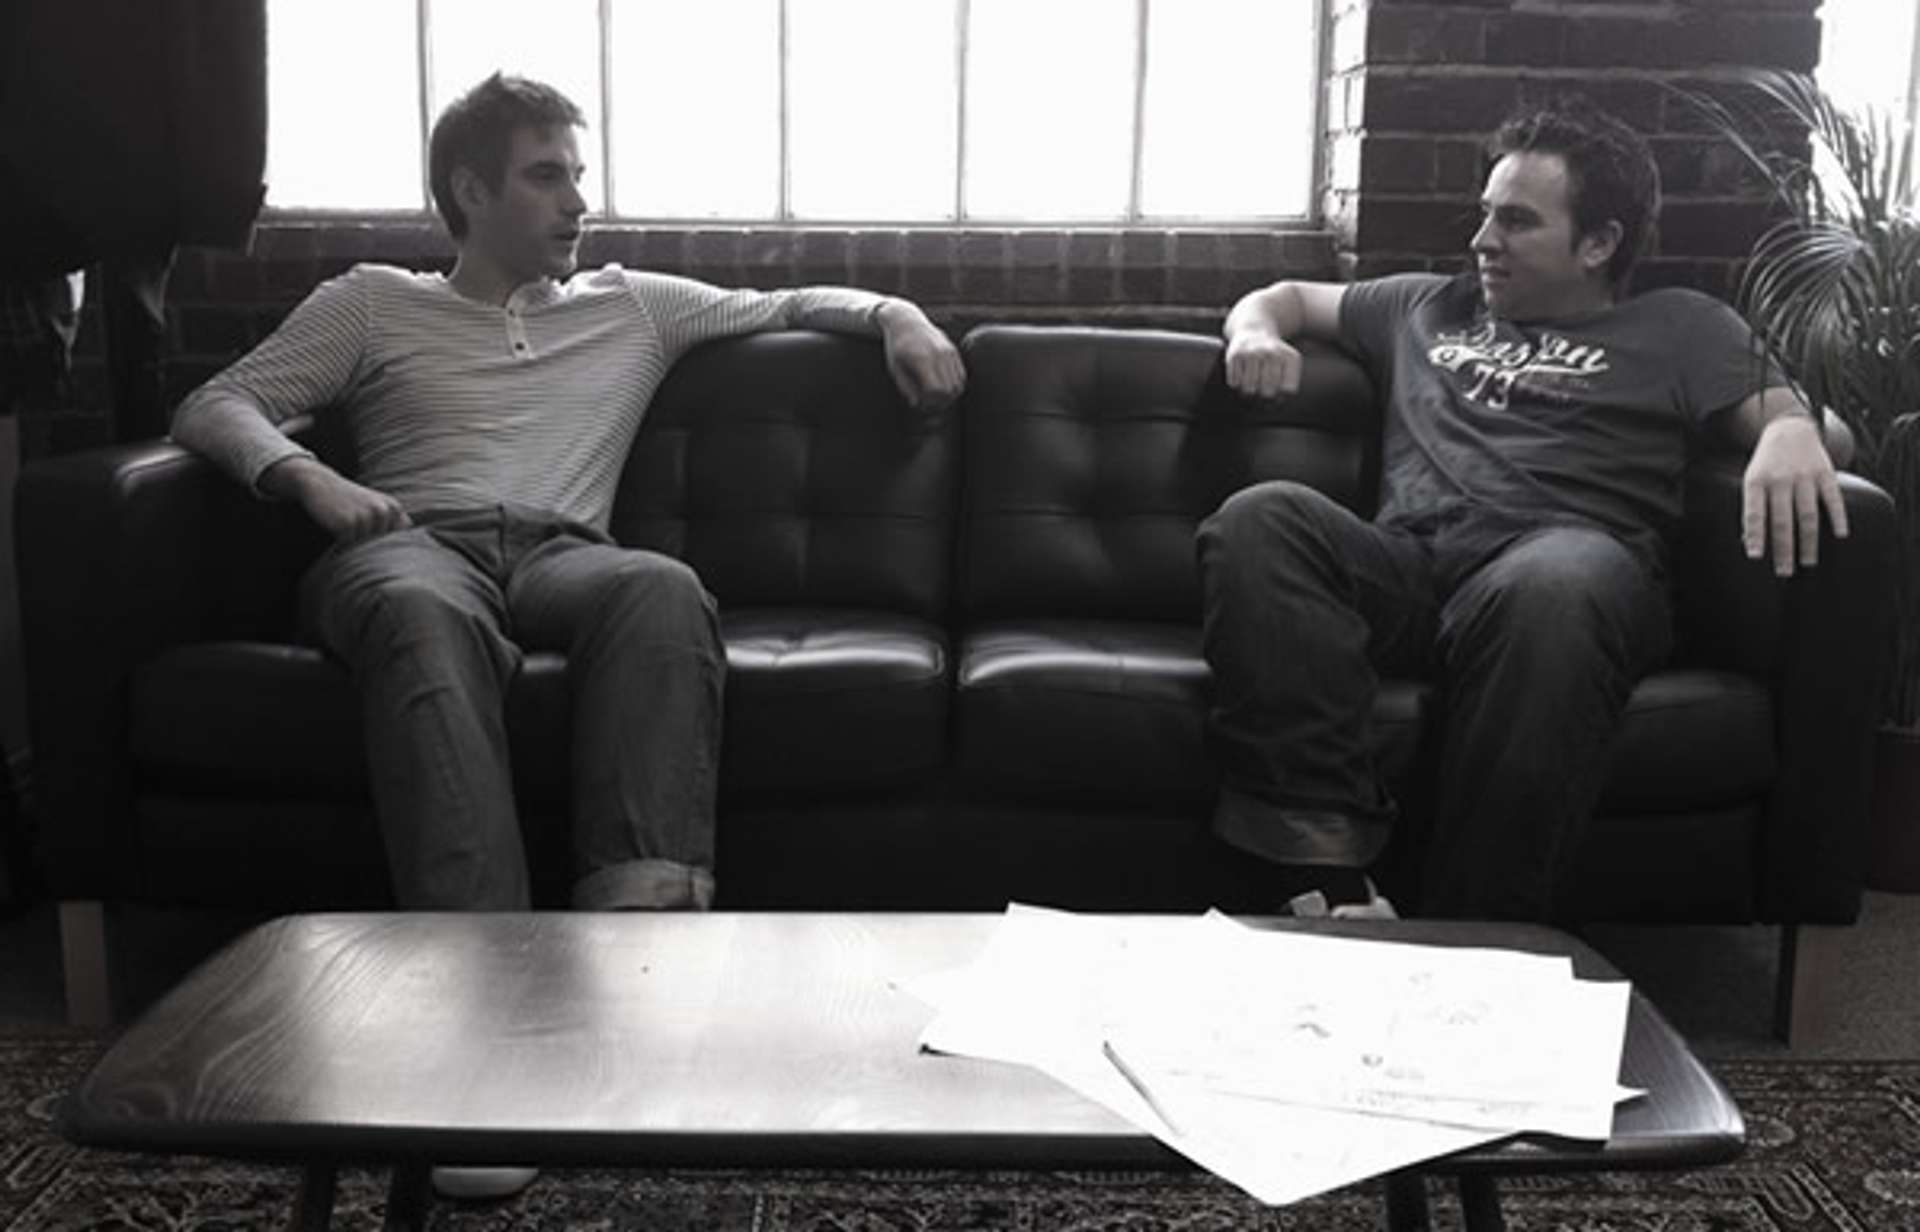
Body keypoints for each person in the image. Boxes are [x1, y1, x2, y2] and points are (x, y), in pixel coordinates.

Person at [170, 72, 964, 1200]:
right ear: (469, 190)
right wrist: (311, 481)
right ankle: (483, 1012)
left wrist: (898, 316)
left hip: (562, 550)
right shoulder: (371, 302)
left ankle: (639, 971)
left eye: (578, 175)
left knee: (661, 588)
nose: (579, 201)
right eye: (547, 176)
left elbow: (791, 302)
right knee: (420, 615)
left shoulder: (632, 305)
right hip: (411, 545)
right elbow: (216, 403)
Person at [1198, 96, 1847, 924]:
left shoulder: (1684, 328)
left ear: (1598, 243)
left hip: (1567, 567)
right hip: (1415, 567)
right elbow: (1286, 296)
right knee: (1262, 517)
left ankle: (1470, 936)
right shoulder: (1423, 306)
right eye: (1484, 214)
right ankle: (1324, 885)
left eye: (1516, 221)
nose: (1482, 240)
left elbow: (1817, 429)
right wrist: (1255, 334)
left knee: (1558, 581)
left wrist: (1792, 428)